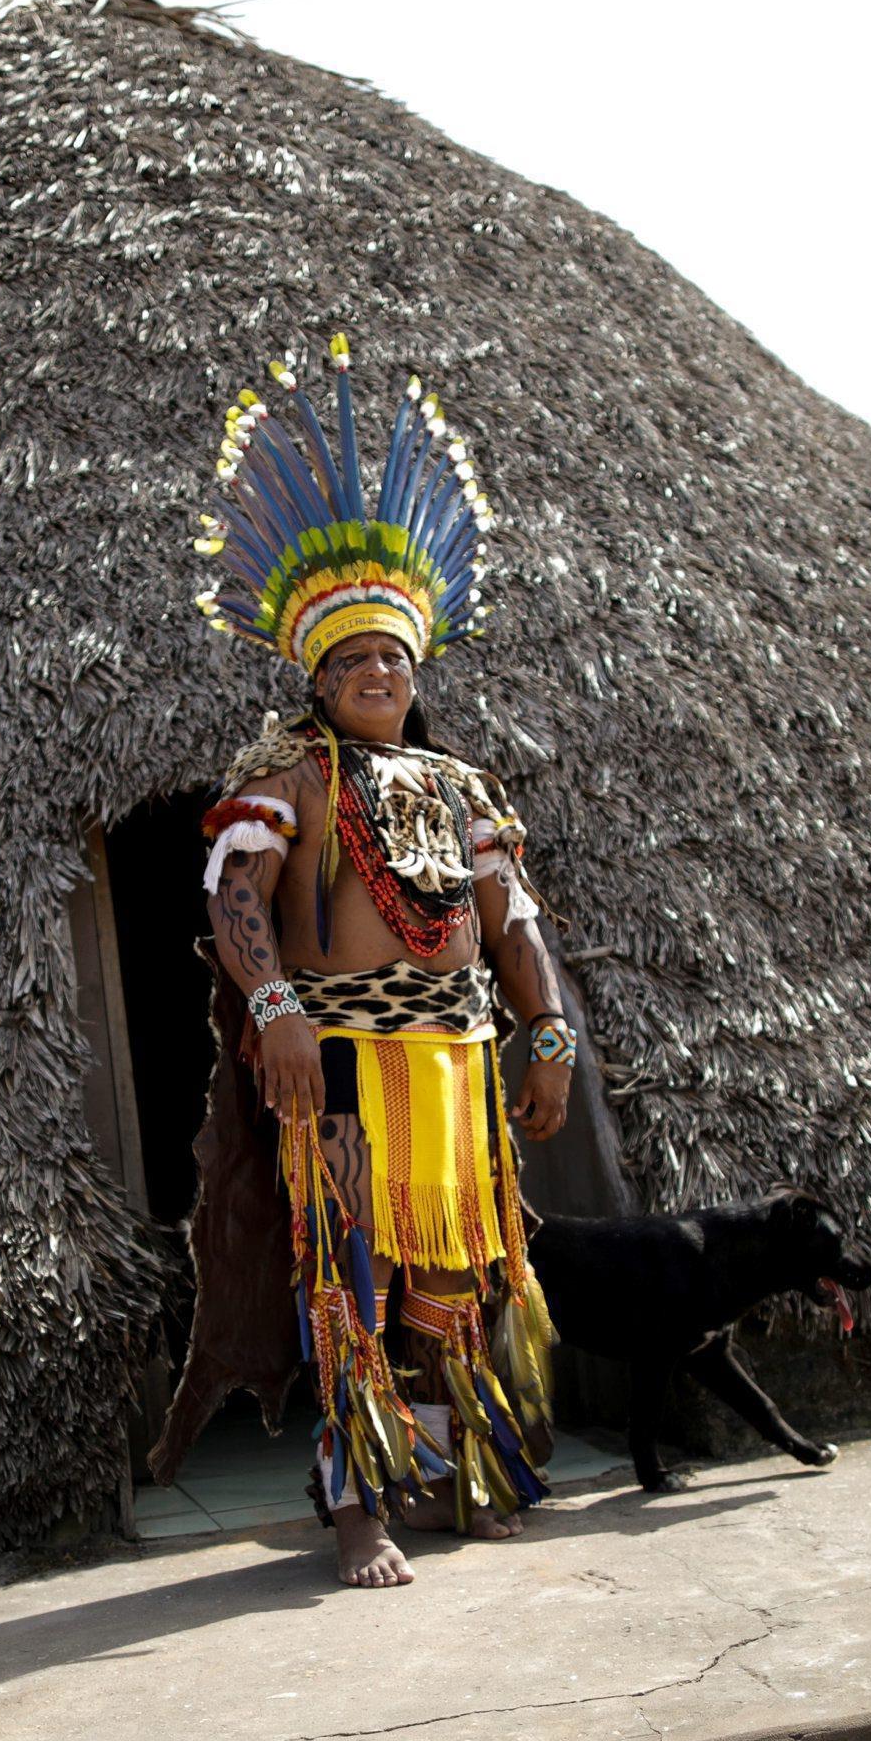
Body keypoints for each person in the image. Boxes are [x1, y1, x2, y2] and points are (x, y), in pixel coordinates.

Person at [182, 333, 580, 1588]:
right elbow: (237, 896)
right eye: (351, 659)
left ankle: (470, 1470)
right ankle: (357, 1507)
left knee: (462, 1265)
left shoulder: (460, 784)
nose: (375, 674)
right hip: (342, 1056)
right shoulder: (285, 777)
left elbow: (509, 914)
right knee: (345, 1266)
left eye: (393, 659)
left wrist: (550, 1029)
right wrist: (279, 1008)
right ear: (316, 674)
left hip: (457, 1061)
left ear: (417, 673)